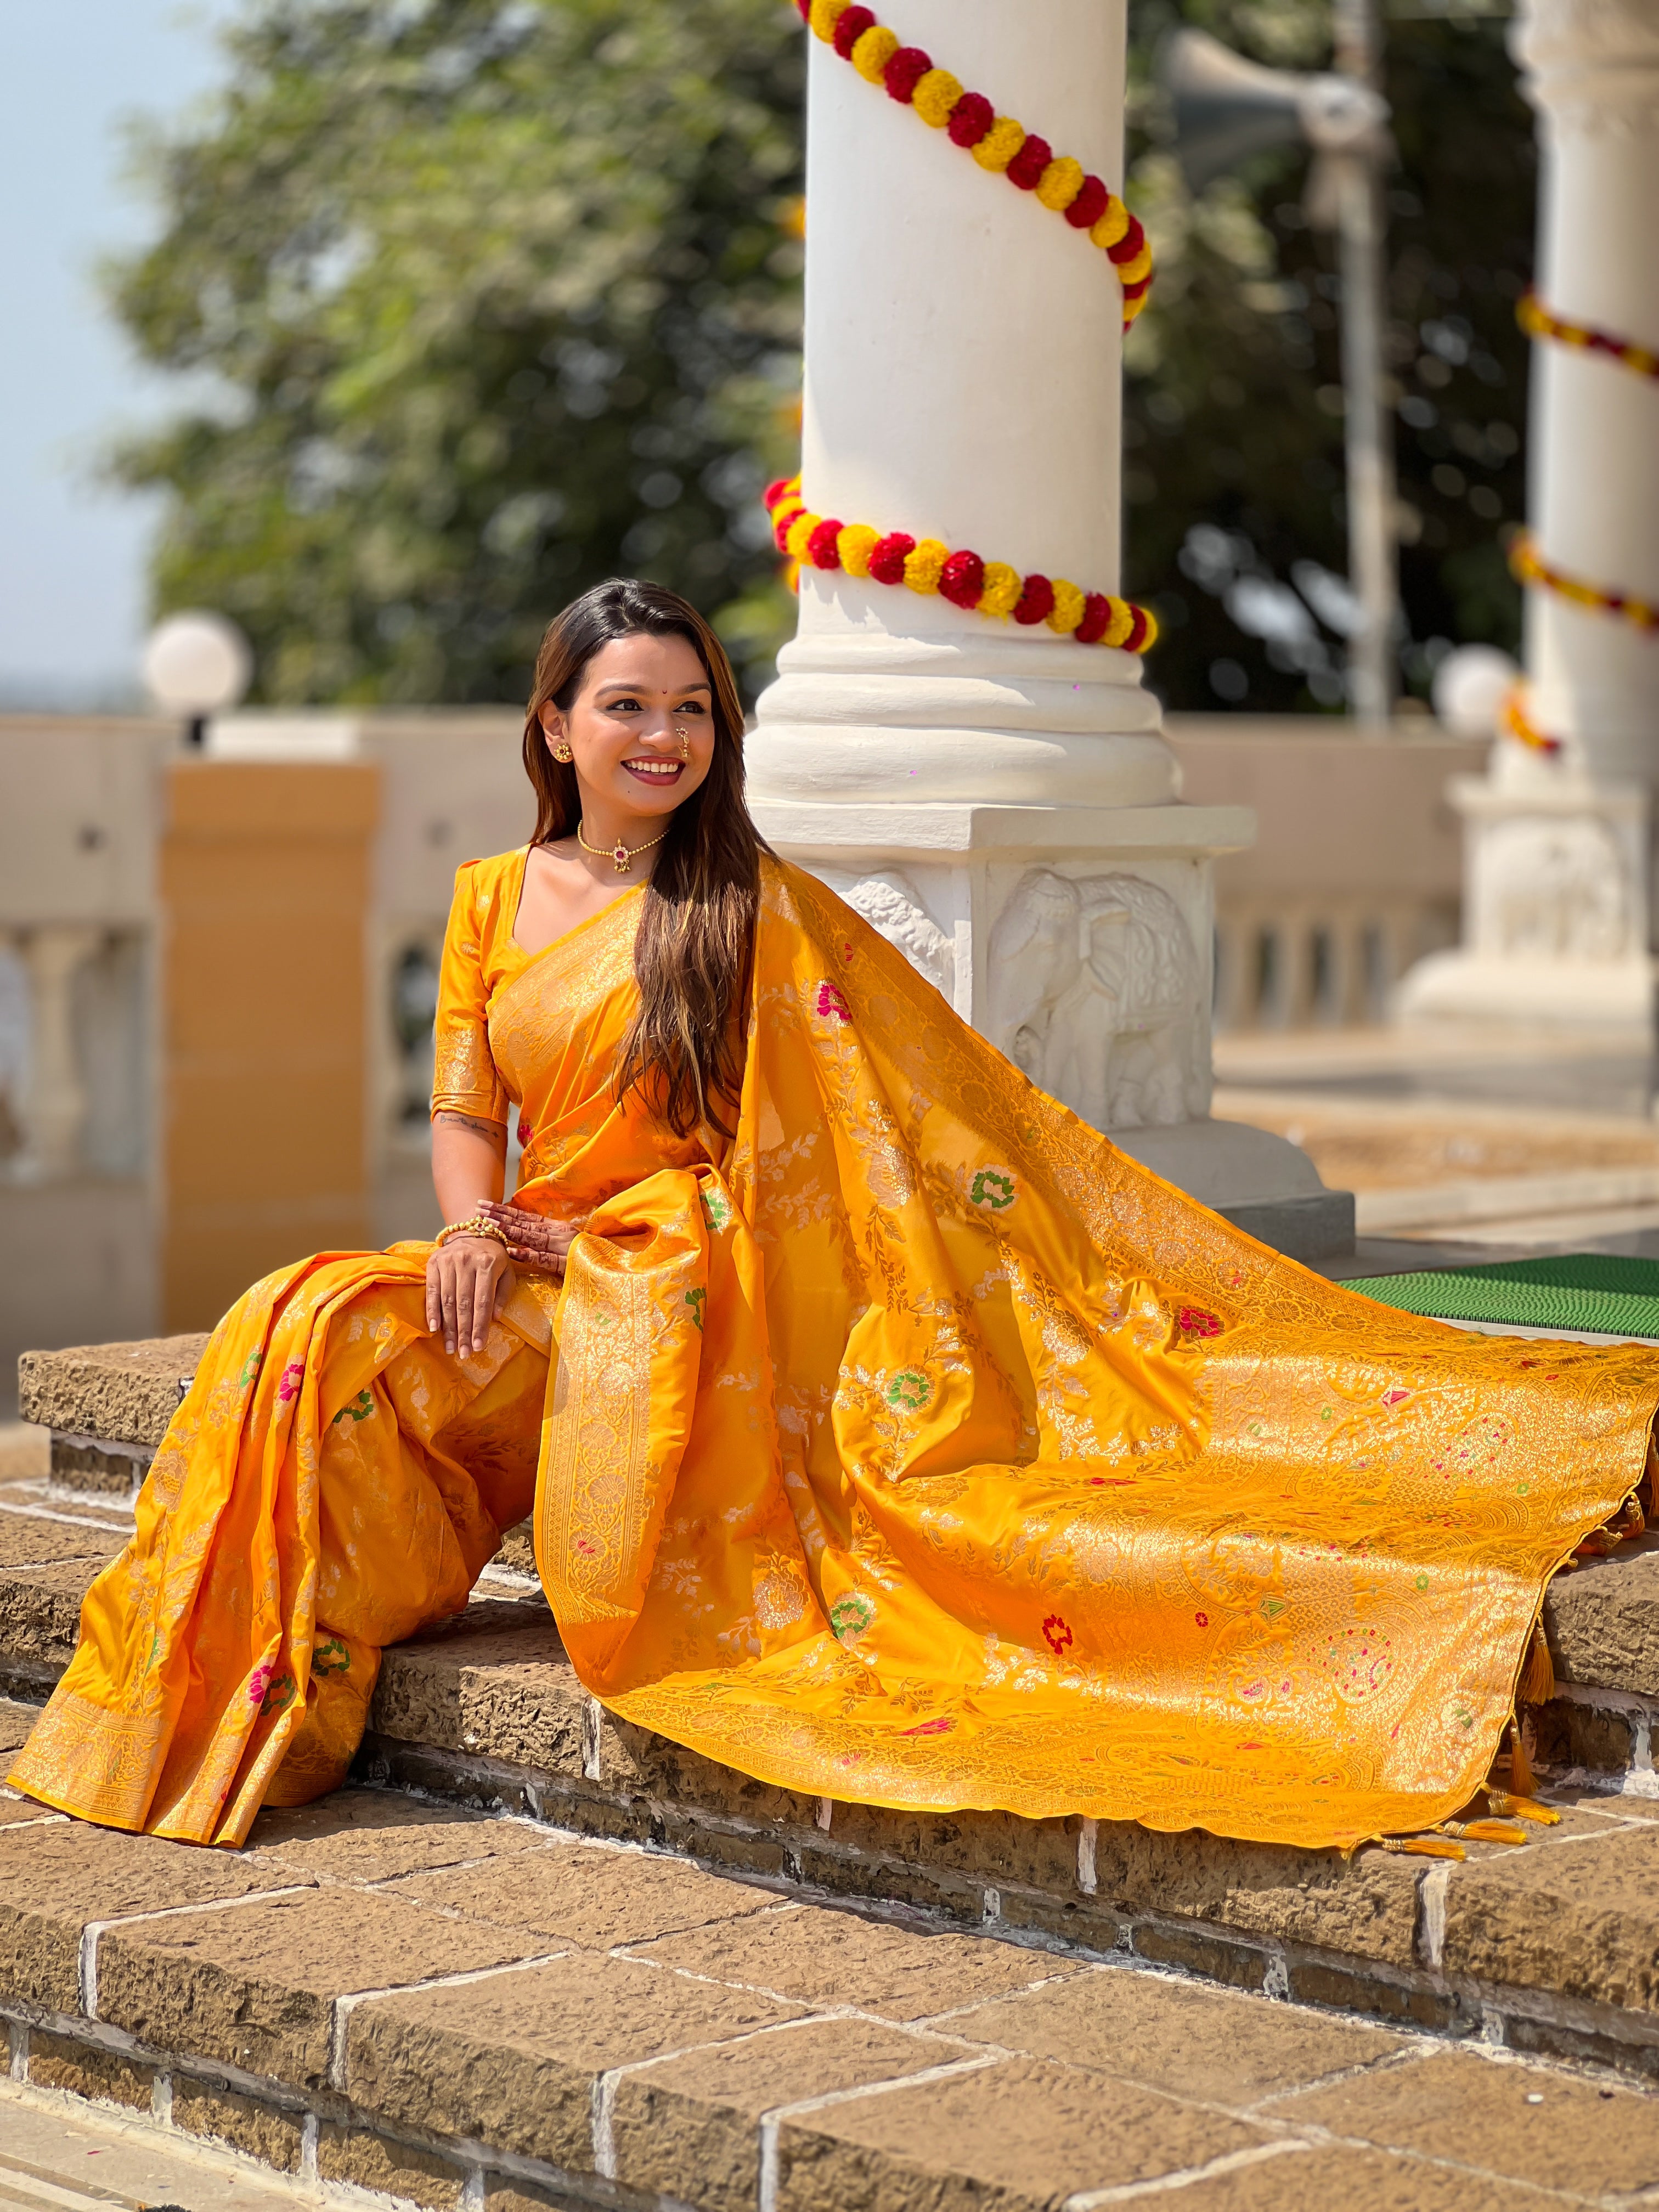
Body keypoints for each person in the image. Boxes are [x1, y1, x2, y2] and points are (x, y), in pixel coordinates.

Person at [12, 579, 1657, 1853]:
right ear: (558, 724)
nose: (663, 738)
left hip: (677, 1292)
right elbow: (465, 1109)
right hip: (528, 1261)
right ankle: (257, 1695)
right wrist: (464, 1227)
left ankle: (279, 1688)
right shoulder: (492, 903)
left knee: (351, 1339)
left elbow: (822, 1160)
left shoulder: (750, 910)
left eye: (694, 711)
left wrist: (619, 1247)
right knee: (308, 1317)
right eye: (627, 707)